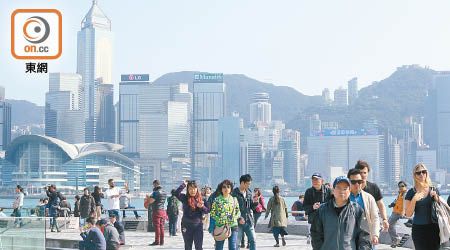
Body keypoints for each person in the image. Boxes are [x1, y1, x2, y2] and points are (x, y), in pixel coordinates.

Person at [310, 176, 371, 250]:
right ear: (333, 190)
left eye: (345, 188)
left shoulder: (356, 210)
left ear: (349, 191)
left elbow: (364, 235)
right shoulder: (322, 210)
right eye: (338, 188)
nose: (342, 191)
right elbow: (315, 234)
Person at [405, 163, 440, 250]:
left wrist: (436, 197)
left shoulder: (433, 189)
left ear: (427, 173)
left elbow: (441, 208)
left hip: (434, 228)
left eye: (423, 172)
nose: (421, 174)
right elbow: (408, 214)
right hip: (419, 229)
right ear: (415, 175)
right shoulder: (411, 192)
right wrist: (414, 200)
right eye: (418, 173)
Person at [347, 168, 380, 247]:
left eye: (359, 181)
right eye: (353, 182)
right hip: (347, 239)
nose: (357, 184)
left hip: (366, 238)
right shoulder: (344, 197)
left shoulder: (369, 198)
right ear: (349, 182)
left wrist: (375, 235)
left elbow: (375, 218)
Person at [355, 160, 389, 232]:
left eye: (365, 173)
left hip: (370, 225)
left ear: (368, 173)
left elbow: (380, 204)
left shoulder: (373, 187)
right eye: (360, 173)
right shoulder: (350, 188)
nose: (363, 175)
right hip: (354, 224)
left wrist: (385, 219)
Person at [175, 180, 209, 250]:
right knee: (188, 247)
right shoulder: (184, 198)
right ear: (187, 190)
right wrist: (184, 184)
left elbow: (207, 211)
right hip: (186, 225)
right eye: (190, 189)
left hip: (198, 226)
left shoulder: (202, 199)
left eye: (194, 188)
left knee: (199, 247)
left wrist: (202, 207)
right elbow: (176, 193)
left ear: (197, 189)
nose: (192, 191)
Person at [303, 173, 333, 246]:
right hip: (313, 221)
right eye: (313, 179)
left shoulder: (328, 191)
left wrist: (323, 206)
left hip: (326, 221)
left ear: (322, 180)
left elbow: (333, 204)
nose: (315, 181)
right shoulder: (308, 192)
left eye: (317, 179)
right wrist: (313, 207)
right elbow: (305, 207)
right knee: (316, 243)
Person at [210, 180, 241, 250]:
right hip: (220, 226)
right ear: (221, 189)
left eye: (228, 187)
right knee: (219, 248)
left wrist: (234, 218)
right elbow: (212, 213)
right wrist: (220, 219)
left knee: (233, 247)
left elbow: (238, 212)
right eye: (224, 187)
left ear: (231, 189)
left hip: (233, 225)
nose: (226, 188)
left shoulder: (234, 199)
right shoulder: (217, 200)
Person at [232, 174, 258, 250]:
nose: (249, 186)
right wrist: (239, 218)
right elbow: (232, 208)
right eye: (248, 184)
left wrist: (256, 203)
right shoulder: (234, 193)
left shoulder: (249, 193)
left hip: (248, 221)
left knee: (253, 240)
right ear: (242, 183)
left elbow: (251, 207)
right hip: (237, 222)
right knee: (237, 243)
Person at [388, 181, 408, 248]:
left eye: (402, 186)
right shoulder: (400, 193)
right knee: (389, 225)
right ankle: (395, 240)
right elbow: (396, 200)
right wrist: (392, 204)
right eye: (399, 186)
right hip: (395, 211)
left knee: (390, 224)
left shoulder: (406, 194)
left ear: (405, 186)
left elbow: (405, 204)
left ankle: (396, 238)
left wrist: (403, 213)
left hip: (399, 212)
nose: (401, 187)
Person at [148, 179, 167, 246]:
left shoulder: (156, 192)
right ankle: (162, 242)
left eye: (153, 185)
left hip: (156, 210)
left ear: (155, 184)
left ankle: (157, 241)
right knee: (161, 226)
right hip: (162, 210)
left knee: (157, 227)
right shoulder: (164, 192)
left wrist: (149, 197)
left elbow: (151, 201)